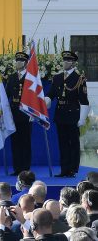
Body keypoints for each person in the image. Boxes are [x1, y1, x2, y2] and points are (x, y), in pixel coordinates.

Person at [45, 50, 89, 178]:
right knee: (63, 143)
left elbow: (84, 101)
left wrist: (82, 118)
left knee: (73, 143)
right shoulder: (57, 77)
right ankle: (64, 169)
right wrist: (45, 101)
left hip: (73, 114)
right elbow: (51, 94)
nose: (65, 62)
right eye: (64, 60)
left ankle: (72, 169)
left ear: (73, 63)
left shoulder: (79, 79)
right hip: (61, 114)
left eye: (68, 60)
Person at [6, 52, 33, 176]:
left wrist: (33, 113)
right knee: (15, 142)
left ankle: (25, 168)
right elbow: (7, 94)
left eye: (21, 61)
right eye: (17, 60)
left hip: (26, 112)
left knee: (25, 141)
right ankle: (17, 168)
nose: (18, 63)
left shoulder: (30, 77)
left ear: (26, 63)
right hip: (14, 112)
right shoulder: (12, 77)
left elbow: (34, 95)